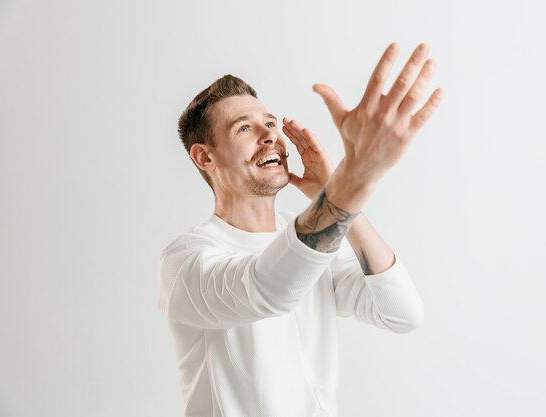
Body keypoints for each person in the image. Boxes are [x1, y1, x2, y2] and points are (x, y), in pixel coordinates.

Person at [157, 41, 444, 417]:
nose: (269, 135)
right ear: (205, 157)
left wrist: (339, 196)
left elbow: (402, 313)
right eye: (244, 128)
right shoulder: (187, 261)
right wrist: (352, 181)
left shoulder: (314, 244)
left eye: (270, 123)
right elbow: (268, 289)